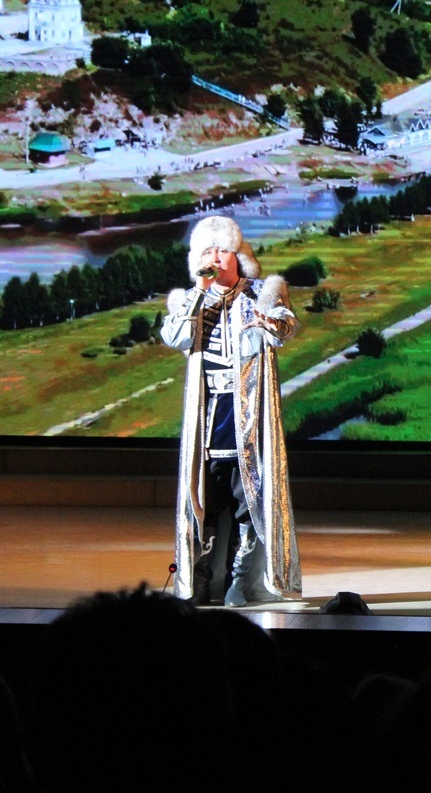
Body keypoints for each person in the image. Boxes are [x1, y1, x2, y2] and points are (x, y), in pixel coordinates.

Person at [160, 215, 301, 606]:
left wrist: (268, 321)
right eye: (208, 251)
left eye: (223, 250)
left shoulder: (262, 292)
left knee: (249, 502)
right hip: (207, 416)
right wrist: (197, 294)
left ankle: (243, 581)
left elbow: (287, 329)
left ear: (239, 255)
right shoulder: (192, 300)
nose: (216, 258)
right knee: (203, 502)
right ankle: (201, 579)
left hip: (248, 416)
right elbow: (175, 336)